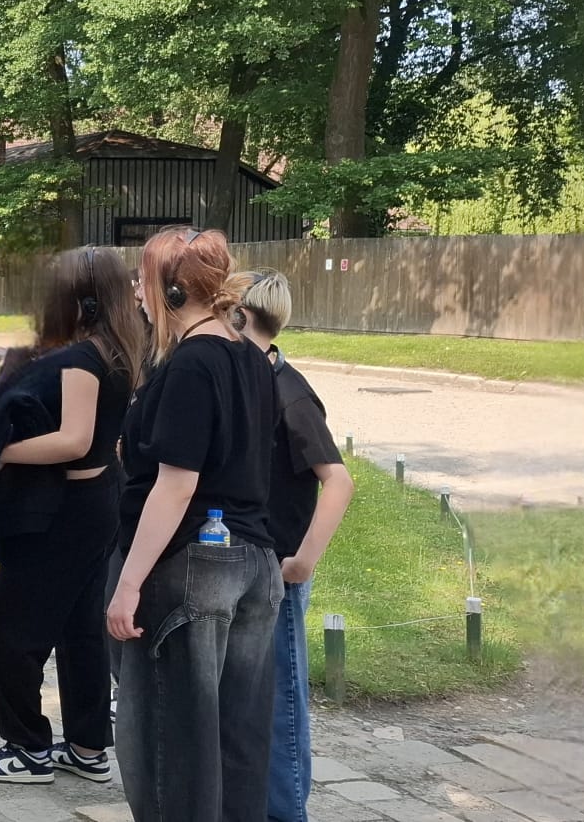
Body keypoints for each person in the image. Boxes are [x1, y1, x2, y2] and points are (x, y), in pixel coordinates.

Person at [0, 248, 145, 785]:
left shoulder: (84, 358)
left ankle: (28, 748)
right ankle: (86, 746)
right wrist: (7, 359)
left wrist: (0, 453)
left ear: (82, 301)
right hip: (98, 503)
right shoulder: (116, 347)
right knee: (80, 629)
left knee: (1, 624)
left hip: (68, 513)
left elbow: (73, 440)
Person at [105, 227, 280, 822]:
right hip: (255, 565)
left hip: (194, 567)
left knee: (171, 749)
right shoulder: (252, 358)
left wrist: (128, 583)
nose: (137, 291)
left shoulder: (192, 364)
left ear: (173, 292)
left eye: (143, 280)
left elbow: (177, 484)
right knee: (237, 744)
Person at [228, 269, 353, 822]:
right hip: (246, 562)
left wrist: (304, 560)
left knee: (281, 699)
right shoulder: (243, 381)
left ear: (240, 315)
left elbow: (339, 481)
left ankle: (286, 811)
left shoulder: (289, 392)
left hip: (279, 571)